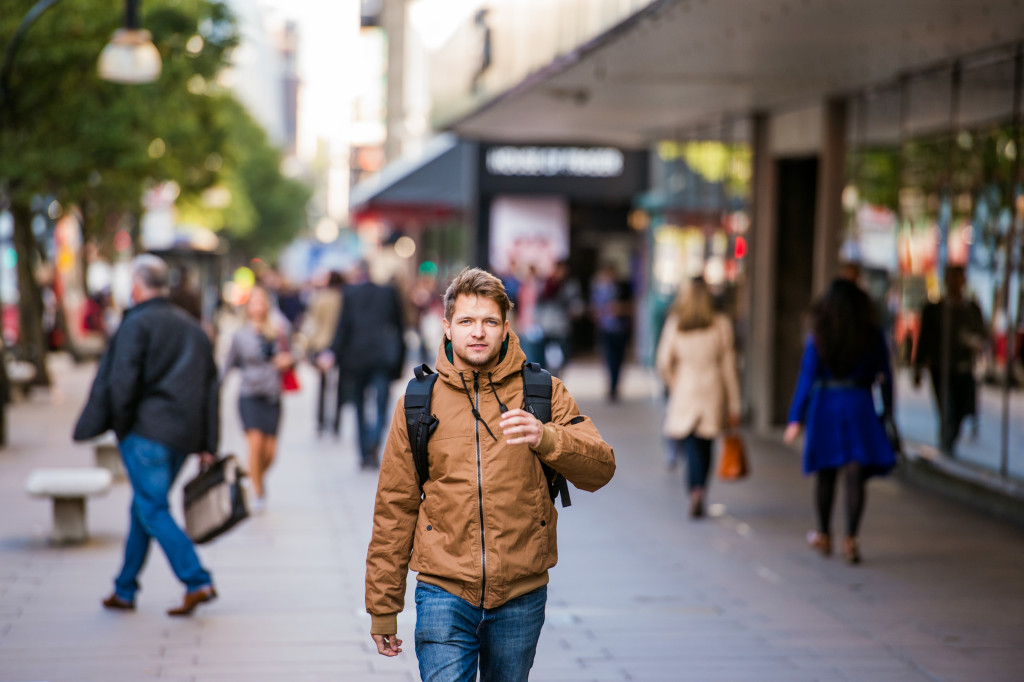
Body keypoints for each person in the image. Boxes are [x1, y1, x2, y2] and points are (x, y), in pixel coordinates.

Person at [365, 267, 616, 681]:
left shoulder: (543, 391)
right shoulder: (418, 401)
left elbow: (600, 468)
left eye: (489, 322)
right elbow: (395, 506)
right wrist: (383, 606)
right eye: (466, 321)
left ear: (505, 327)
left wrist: (547, 437)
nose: (477, 332)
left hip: (521, 593)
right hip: (443, 591)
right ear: (447, 327)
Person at [81, 255, 220, 616]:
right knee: (142, 506)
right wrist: (208, 443)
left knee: (152, 507)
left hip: (147, 434)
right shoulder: (193, 327)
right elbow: (210, 389)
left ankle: (196, 579)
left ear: (138, 287)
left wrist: (122, 427)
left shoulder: (136, 324)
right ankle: (124, 588)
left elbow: (121, 382)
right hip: (183, 438)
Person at [784, 278, 897, 565]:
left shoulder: (820, 335)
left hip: (826, 404)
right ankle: (851, 538)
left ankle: (823, 533)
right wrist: (889, 413)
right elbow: (885, 376)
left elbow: (807, 376)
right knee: (854, 474)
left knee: (826, 472)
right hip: (859, 402)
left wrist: (795, 417)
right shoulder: (872, 335)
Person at [655, 278, 741, 518]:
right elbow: (729, 366)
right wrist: (734, 403)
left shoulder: (676, 323)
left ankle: (694, 490)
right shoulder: (721, 323)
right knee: (706, 444)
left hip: (685, 389)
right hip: (713, 391)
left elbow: (663, 361)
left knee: (690, 443)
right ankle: (700, 489)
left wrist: (674, 382)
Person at [322, 261, 405, 469]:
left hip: (356, 358)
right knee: (381, 404)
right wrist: (399, 360)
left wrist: (332, 352)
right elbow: (399, 327)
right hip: (381, 358)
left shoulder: (350, 294)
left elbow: (343, 327)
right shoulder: (388, 293)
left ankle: (364, 451)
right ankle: (373, 441)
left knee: (359, 405)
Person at [222, 285, 294, 512]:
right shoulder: (240, 335)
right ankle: (258, 490)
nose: (258, 306)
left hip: (272, 396)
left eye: (262, 301)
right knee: (255, 445)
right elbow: (227, 366)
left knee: (270, 452)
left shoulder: (278, 331)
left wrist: (288, 361)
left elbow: (293, 356)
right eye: (254, 302)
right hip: (249, 396)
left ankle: (253, 475)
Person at [913, 265, 987, 456]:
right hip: (940, 369)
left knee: (963, 409)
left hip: (963, 369)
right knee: (947, 410)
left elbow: (982, 336)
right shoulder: (934, 310)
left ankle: (950, 441)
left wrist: (974, 343)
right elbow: (924, 340)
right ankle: (947, 446)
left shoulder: (971, 310)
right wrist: (918, 368)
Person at [302, 270, 344, 436]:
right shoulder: (343, 298)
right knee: (339, 385)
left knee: (322, 385)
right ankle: (336, 422)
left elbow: (312, 322)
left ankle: (320, 420)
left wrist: (307, 345)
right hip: (338, 345)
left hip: (320, 343)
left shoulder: (319, 298)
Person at [590, 264, 633, 401]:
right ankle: (612, 385)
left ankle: (615, 385)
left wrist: (620, 309)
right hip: (606, 329)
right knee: (609, 358)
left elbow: (631, 306)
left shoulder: (623, 288)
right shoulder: (599, 290)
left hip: (620, 328)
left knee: (619, 359)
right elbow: (594, 309)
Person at [535, 260, 584, 375]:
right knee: (546, 358)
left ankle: (556, 377)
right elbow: (538, 304)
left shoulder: (570, 285)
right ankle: (550, 378)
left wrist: (576, 310)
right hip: (546, 326)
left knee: (563, 355)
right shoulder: (546, 284)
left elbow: (576, 303)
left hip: (562, 327)